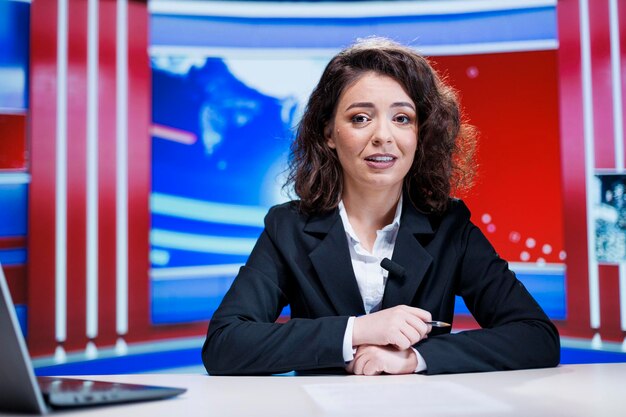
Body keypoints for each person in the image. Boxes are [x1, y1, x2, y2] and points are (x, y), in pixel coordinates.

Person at [201, 37, 560, 376]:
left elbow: (536, 337)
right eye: (360, 118)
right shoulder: (288, 228)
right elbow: (224, 344)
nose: (382, 136)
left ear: (421, 134)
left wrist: (415, 359)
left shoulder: (450, 227)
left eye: (401, 118)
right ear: (328, 133)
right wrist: (356, 330)